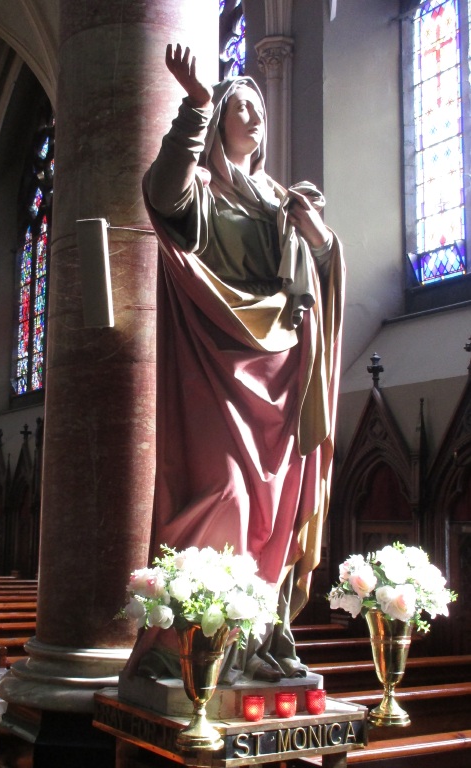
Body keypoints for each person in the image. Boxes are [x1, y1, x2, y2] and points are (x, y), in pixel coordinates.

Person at [129, 44, 345, 683]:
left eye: (260, 109)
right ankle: (190, 642)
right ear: (222, 120)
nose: (254, 117)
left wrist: (323, 244)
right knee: (222, 494)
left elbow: (319, 279)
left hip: (280, 375)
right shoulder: (203, 188)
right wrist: (193, 107)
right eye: (240, 107)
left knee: (276, 506)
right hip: (216, 361)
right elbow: (162, 194)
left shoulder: (281, 199)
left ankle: (259, 637)